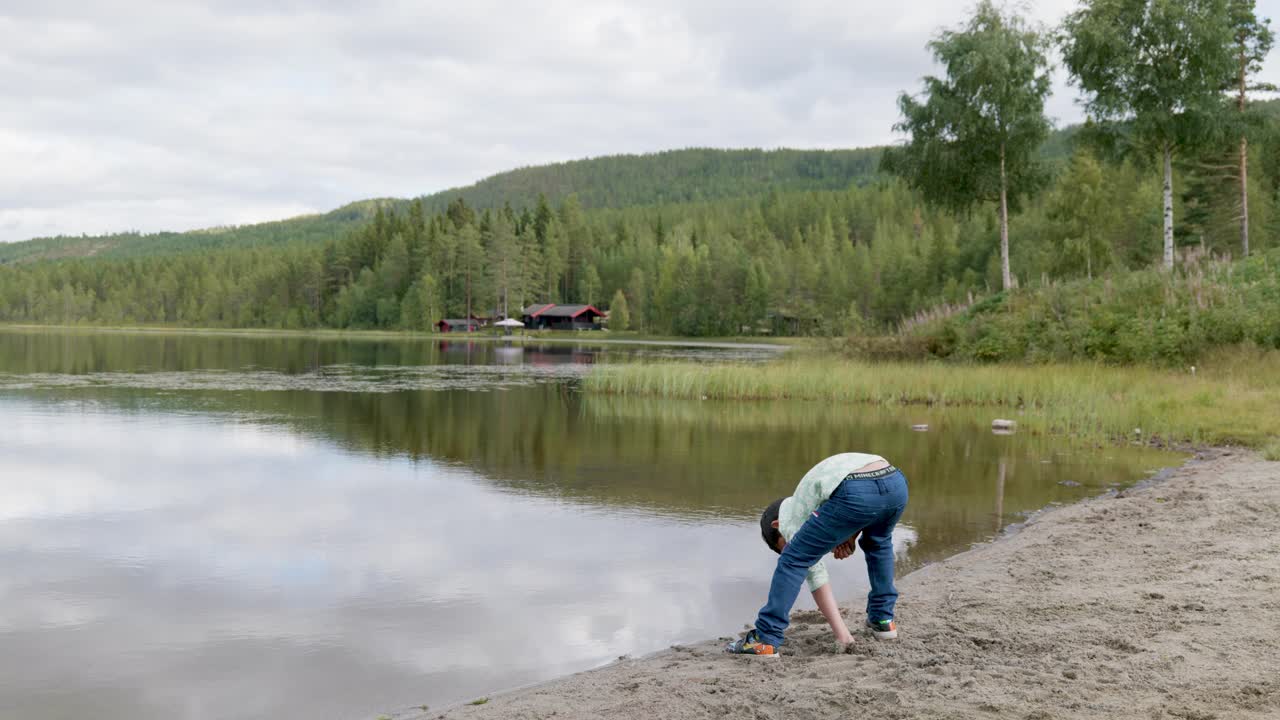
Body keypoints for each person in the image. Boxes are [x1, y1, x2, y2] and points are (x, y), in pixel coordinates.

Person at [726, 453, 909, 657]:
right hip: (894, 482)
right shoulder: (815, 503)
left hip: (856, 488)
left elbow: (813, 572)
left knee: (793, 560)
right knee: (878, 544)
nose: (792, 542)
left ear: (778, 524)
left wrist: (843, 635)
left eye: (785, 543)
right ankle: (883, 621)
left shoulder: (792, 514)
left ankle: (766, 638)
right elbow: (869, 498)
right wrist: (850, 536)